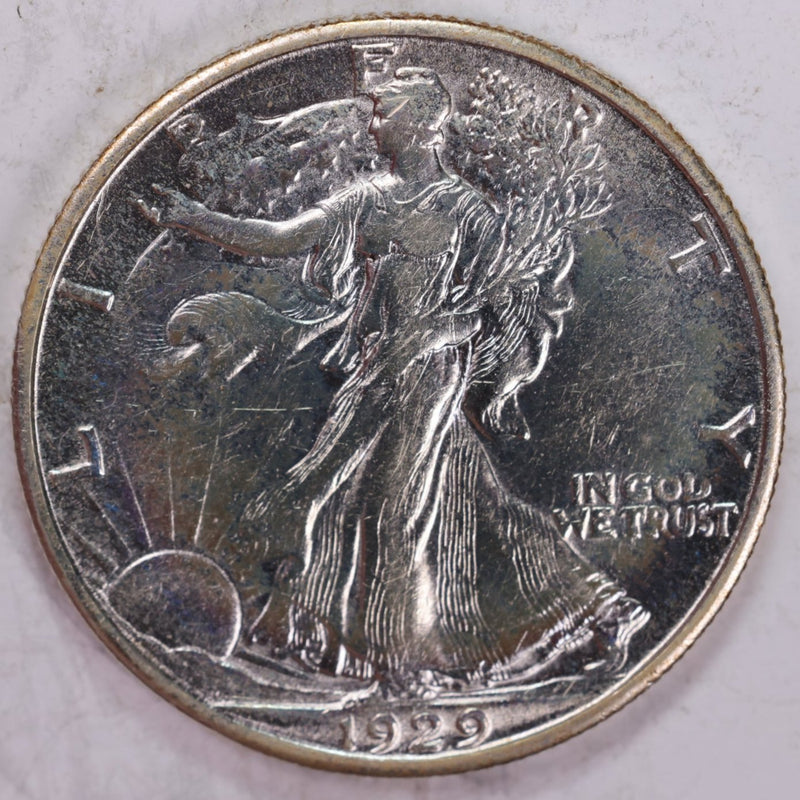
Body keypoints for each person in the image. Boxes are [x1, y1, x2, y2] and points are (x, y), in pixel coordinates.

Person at [139, 67, 648, 691]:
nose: (373, 124)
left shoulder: (467, 211)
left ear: (425, 124)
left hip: (429, 374)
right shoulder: (368, 199)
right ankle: (589, 615)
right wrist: (193, 218)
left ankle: (400, 665)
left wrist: (435, 332)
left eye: (385, 112)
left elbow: (490, 309)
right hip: (375, 367)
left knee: (388, 511)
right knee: (458, 501)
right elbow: (280, 240)